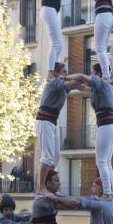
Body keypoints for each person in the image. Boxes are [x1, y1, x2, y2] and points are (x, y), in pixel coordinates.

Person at [65, 65, 113, 198]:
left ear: (99, 74)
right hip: (111, 126)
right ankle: (110, 192)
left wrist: (64, 77)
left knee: (101, 161)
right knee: (106, 162)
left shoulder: (102, 83)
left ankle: (107, 193)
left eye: (92, 73)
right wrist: (64, 83)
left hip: (106, 126)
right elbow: (82, 86)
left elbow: (82, 78)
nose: (91, 76)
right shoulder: (100, 88)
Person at [69, 0, 113, 80]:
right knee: (102, 47)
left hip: (103, 14)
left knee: (99, 48)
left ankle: (106, 76)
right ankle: (107, 75)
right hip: (106, 14)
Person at [41, 0, 80, 79]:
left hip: (51, 9)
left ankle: (55, 69)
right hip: (49, 8)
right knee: (56, 43)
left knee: (59, 45)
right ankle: (50, 72)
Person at [35, 62, 71, 190]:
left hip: (52, 122)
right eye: (64, 72)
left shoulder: (63, 85)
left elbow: (79, 85)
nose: (66, 75)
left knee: (54, 159)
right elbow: (73, 82)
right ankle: (41, 188)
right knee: (47, 157)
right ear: (56, 73)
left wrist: (96, 85)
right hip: (44, 121)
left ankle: (47, 187)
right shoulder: (54, 82)